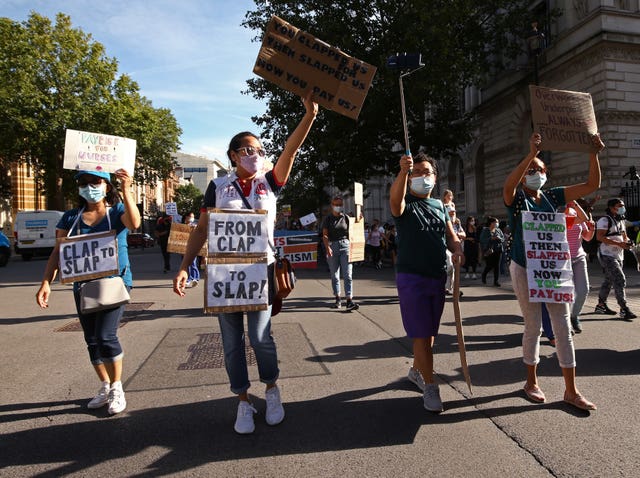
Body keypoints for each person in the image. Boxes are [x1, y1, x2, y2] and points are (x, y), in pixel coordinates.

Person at [172, 93, 318, 434]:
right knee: (230, 342)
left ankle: (271, 388)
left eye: (260, 151)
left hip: (261, 271)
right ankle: (242, 401)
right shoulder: (217, 187)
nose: (256, 155)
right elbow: (202, 230)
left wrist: (309, 115)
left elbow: (291, 150)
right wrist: (184, 266)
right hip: (224, 275)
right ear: (233, 155)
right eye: (248, 150)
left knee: (260, 336)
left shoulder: (270, 183)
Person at [504, 132, 603, 411]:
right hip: (524, 268)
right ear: (524, 175)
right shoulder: (517, 199)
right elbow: (509, 185)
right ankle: (531, 383)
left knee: (563, 327)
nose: (535, 173)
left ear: (547, 174)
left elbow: (592, 184)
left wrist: (593, 153)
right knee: (533, 326)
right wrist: (530, 153)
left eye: (539, 169)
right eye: (530, 170)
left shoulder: (552, 196)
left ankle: (571, 390)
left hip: (552, 270)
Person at [36, 169, 140, 415]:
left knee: (106, 336)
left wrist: (127, 189)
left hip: (114, 283)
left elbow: (134, 224)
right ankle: (105, 385)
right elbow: (57, 253)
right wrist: (46, 282)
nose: (90, 186)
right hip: (83, 286)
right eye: (84, 183)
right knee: (91, 340)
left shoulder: (116, 213)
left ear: (106, 186)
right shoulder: (71, 218)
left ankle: (117, 387)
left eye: (95, 181)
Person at [390, 151, 464, 413]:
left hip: (437, 276)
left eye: (427, 172)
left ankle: (415, 371)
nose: (422, 176)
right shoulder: (405, 203)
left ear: (435, 177)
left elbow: (452, 236)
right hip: (412, 277)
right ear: (410, 178)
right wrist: (402, 171)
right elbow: (394, 203)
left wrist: (457, 249)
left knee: (429, 333)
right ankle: (431, 386)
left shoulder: (440, 206)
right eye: (417, 173)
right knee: (422, 334)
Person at [594, 198, 637, 320]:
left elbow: (624, 236)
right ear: (612, 207)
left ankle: (601, 305)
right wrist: (619, 244)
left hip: (619, 255)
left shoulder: (621, 221)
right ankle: (624, 309)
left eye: (623, 205)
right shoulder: (604, 220)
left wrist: (628, 243)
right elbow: (599, 237)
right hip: (607, 255)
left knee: (609, 280)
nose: (622, 208)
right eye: (620, 205)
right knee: (620, 279)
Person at [321, 195, 359, 311]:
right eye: (336, 205)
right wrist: (327, 247)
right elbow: (325, 235)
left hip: (345, 246)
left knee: (348, 275)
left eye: (340, 205)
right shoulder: (328, 219)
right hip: (333, 247)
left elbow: (355, 228)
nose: (338, 207)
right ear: (332, 205)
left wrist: (359, 218)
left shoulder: (346, 218)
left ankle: (349, 300)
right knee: (335, 275)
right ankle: (337, 298)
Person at [566, 199, 596, 332]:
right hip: (562, 260)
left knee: (583, 290)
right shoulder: (556, 214)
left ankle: (574, 316)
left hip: (579, 258)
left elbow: (587, 237)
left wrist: (592, 229)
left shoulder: (577, 213)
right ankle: (564, 321)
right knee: (566, 292)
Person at [445, 206, 465, 295]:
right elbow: (448, 234)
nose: (453, 214)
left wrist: (457, 234)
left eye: (454, 212)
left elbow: (464, 234)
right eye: (450, 213)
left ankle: (451, 288)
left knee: (453, 268)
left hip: (454, 248)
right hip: (444, 247)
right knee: (449, 265)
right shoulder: (444, 221)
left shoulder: (457, 223)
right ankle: (446, 287)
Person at [479, 217, 504, 287]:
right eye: (496, 222)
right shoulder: (485, 230)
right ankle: (484, 274)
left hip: (498, 249)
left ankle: (496, 281)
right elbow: (482, 239)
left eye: (497, 222)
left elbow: (503, 238)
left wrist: (499, 238)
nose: (497, 224)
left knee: (497, 266)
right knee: (490, 265)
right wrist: (491, 238)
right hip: (489, 250)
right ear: (491, 223)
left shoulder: (498, 230)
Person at [183, 212, 200, 288]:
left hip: (192, 247)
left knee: (192, 263)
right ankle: (190, 278)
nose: (192, 218)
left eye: (193, 217)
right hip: (184, 247)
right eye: (190, 217)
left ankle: (194, 278)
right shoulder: (182, 226)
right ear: (186, 217)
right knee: (186, 263)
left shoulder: (194, 225)